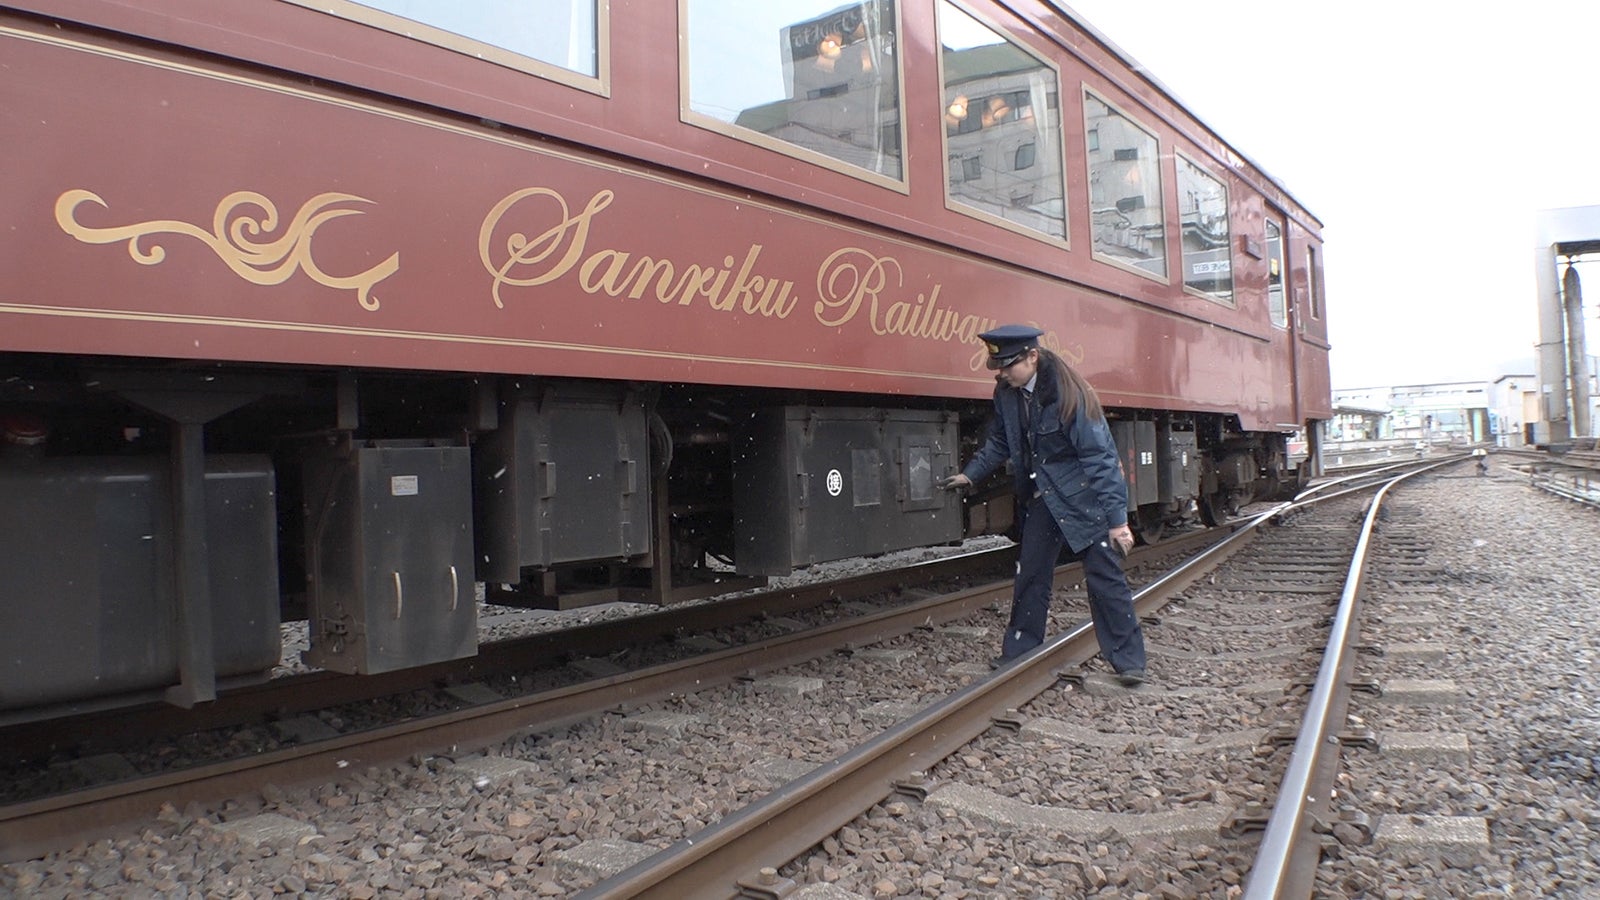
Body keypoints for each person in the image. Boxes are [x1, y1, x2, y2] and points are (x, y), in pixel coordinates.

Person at [940, 324, 1148, 686]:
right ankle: (1020, 651)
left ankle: (1129, 662)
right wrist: (971, 475)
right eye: (999, 366)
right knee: (1031, 574)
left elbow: (1100, 459)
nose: (1002, 372)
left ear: (1032, 357)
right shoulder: (1007, 393)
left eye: (1008, 365)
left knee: (1105, 578)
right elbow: (1001, 440)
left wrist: (1118, 522)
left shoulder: (1069, 395)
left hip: (1084, 498)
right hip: (1044, 498)